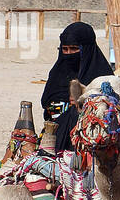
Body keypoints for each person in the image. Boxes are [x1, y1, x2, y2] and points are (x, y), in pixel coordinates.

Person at [41, 21, 113, 155]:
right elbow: (47, 104)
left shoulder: (102, 76)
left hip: (89, 138)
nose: (69, 54)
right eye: (65, 49)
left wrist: (82, 104)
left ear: (86, 49)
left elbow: (110, 110)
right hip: (52, 135)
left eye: (74, 49)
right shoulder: (57, 73)